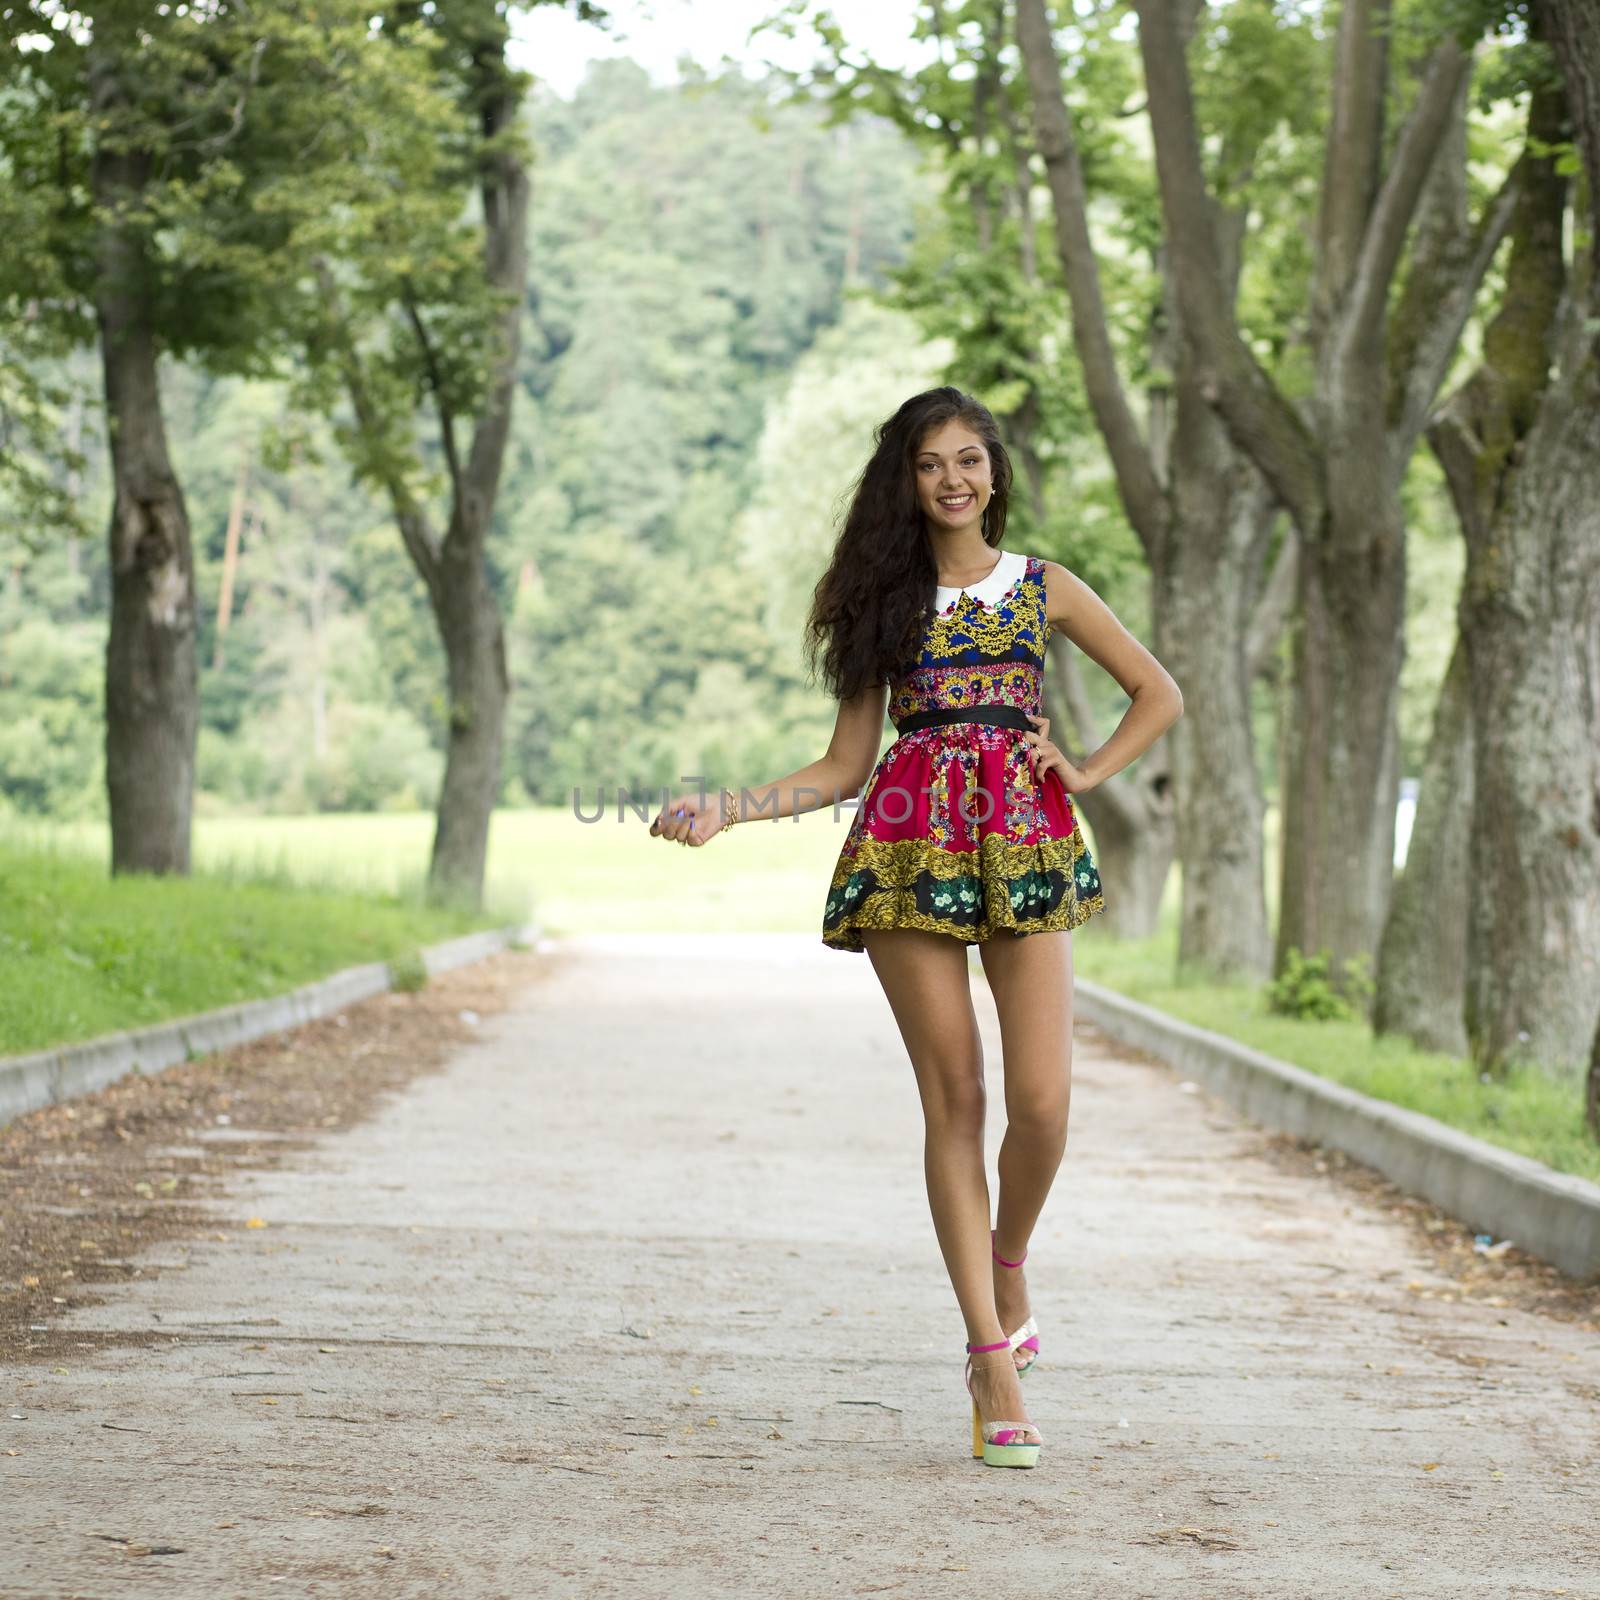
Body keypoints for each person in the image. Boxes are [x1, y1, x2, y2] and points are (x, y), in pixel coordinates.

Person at [648, 387, 1182, 1469]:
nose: (953, 478)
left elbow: (1156, 692)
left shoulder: (1045, 588)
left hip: (1024, 845)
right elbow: (844, 766)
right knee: (960, 1098)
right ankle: (989, 1358)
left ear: (993, 471)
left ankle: (1009, 1255)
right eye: (931, 462)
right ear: (907, 478)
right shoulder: (882, 604)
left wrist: (1081, 772)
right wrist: (726, 806)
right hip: (905, 850)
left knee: (1041, 1105)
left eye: (969, 459)